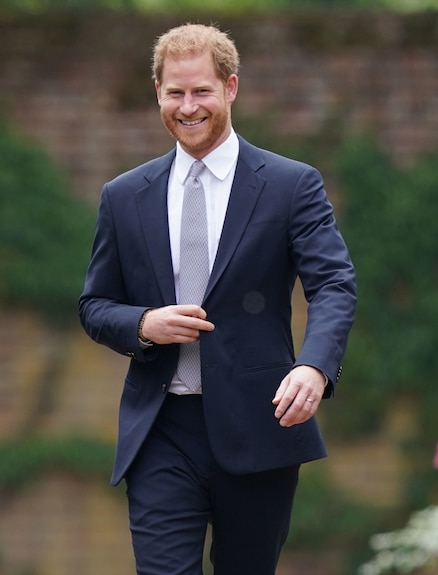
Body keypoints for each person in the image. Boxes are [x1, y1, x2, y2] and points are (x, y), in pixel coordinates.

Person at [78, 23, 356, 575]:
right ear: (157, 92)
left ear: (230, 88)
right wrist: (143, 323)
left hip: (260, 422)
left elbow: (333, 284)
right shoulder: (124, 195)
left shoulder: (290, 184)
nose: (188, 106)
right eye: (174, 92)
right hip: (161, 428)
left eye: (201, 91)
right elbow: (94, 306)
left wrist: (315, 368)